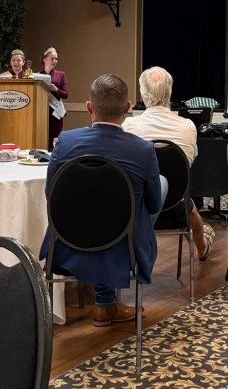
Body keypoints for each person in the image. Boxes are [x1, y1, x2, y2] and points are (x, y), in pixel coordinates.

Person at [39, 74, 163, 327]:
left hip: (67, 244)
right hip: (125, 247)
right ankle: (106, 303)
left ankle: (105, 303)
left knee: (96, 211)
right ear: (128, 108)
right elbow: (153, 204)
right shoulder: (143, 150)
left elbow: (51, 193)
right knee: (157, 187)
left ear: (88, 107)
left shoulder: (64, 142)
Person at [122, 66, 216, 261]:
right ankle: (202, 248)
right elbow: (189, 163)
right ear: (169, 92)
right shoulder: (188, 127)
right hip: (176, 205)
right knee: (189, 205)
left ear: (142, 94)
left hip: (136, 206)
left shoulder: (129, 126)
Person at [40, 47, 69, 148]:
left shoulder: (61, 75)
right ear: (44, 59)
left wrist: (56, 89)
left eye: (56, 59)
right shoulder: (37, 75)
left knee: (55, 140)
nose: (55, 61)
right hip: (41, 112)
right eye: (52, 58)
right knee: (41, 139)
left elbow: (65, 94)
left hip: (55, 112)